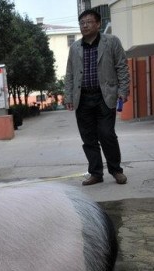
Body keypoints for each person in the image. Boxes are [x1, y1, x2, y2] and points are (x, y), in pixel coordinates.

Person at [64, 9, 130, 186]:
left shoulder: (112, 42)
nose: (84, 25)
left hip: (105, 96)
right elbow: (69, 74)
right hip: (83, 98)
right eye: (82, 23)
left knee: (107, 134)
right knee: (88, 138)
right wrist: (68, 96)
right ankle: (96, 173)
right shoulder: (75, 47)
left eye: (88, 22)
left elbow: (122, 67)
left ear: (98, 24)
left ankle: (116, 170)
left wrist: (123, 90)